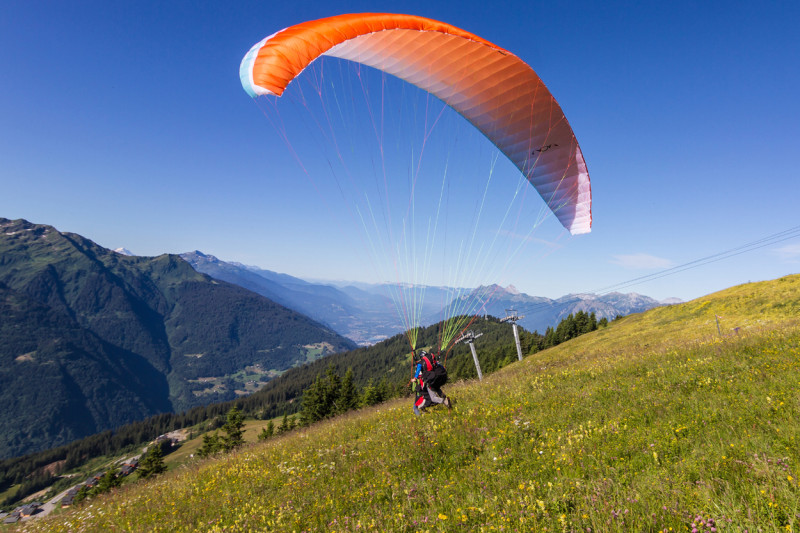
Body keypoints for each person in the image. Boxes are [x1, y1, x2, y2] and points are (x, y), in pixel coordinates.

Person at [412, 350, 451, 415]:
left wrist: (415, 378)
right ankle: (444, 398)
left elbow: (418, 371)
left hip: (430, 380)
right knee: (437, 388)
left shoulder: (421, 363)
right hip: (437, 377)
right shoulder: (432, 360)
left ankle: (444, 401)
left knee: (433, 398)